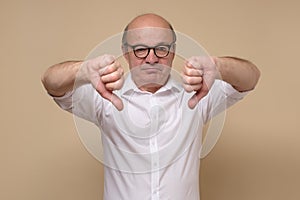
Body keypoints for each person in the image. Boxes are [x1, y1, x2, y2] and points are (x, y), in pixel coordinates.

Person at [42, 13, 260, 200]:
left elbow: (250, 78)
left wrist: (217, 65)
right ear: (125, 52)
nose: (152, 58)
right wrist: (82, 69)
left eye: (161, 49)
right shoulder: (104, 96)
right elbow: (51, 82)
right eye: (140, 49)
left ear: (173, 51)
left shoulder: (197, 94)